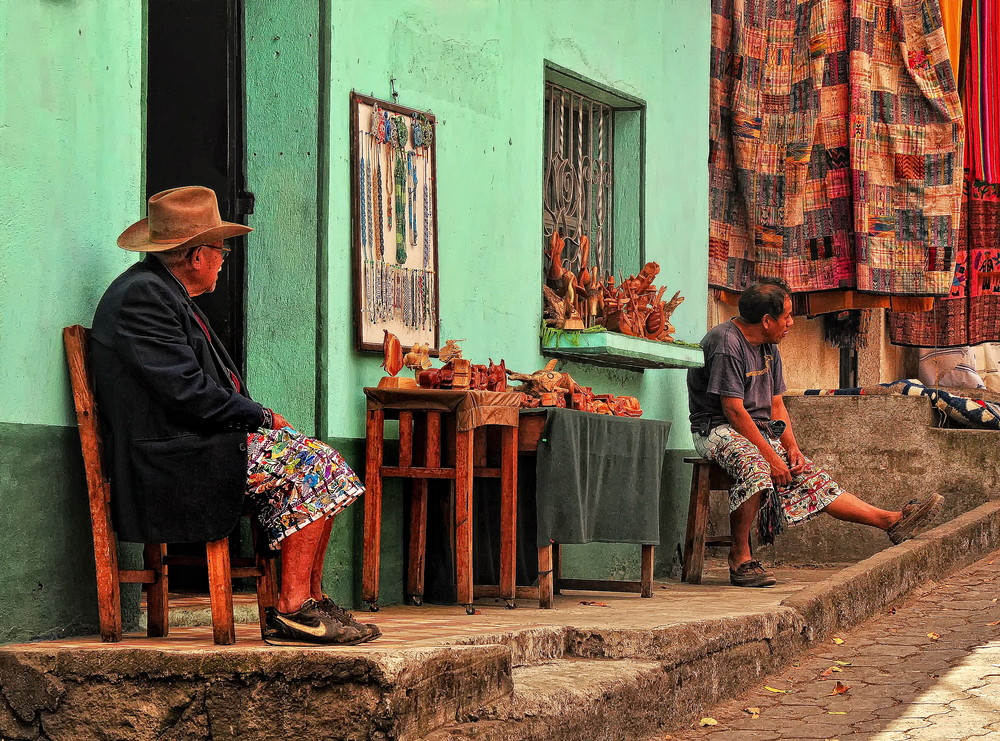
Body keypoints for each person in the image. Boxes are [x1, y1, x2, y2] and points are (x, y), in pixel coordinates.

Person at [91, 185, 379, 644]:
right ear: (196, 256)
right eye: (220, 250)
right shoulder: (143, 296)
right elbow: (187, 393)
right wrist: (260, 417)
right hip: (168, 456)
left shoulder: (163, 292)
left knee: (322, 462)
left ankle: (308, 600)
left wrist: (258, 417)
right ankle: (292, 610)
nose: (224, 259)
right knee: (314, 464)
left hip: (187, 443)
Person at [687, 278, 943, 587]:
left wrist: (791, 449)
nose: (791, 323)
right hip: (715, 430)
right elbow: (734, 412)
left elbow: (776, 404)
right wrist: (771, 457)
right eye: (787, 316)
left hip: (754, 431)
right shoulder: (726, 344)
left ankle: (889, 522)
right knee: (757, 467)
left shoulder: (769, 345)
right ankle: (740, 558)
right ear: (767, 321)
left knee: (808, 473)